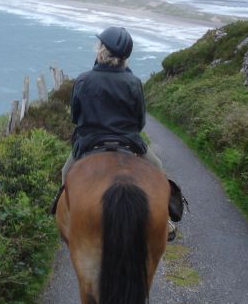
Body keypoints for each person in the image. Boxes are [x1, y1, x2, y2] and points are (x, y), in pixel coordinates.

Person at [54, 26, 185, 240]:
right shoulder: (133, 82)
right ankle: (164, 219)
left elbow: (75, 117)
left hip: (89, 143)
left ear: (102, 51)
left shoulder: (83, 80)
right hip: (129, 142)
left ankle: (66, 218)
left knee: (65, 173)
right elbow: (140, 121)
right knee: (158, 169)